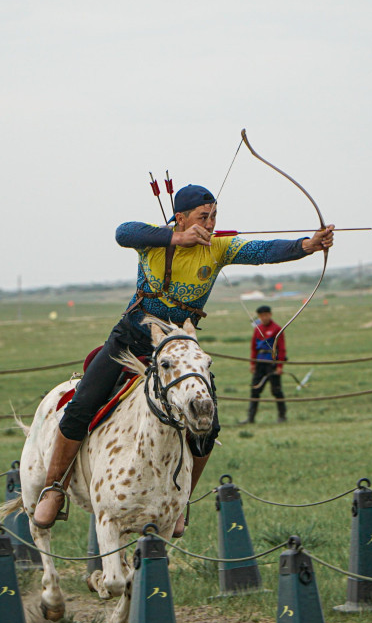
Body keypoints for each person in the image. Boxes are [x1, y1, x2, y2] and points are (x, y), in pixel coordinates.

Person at [33, 183, 334, 532]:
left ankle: (180, 502)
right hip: (132, 338)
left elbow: (263, 249)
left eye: (214, 216)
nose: (210, 224)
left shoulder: (219, 247)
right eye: (203, 217)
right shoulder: (152, 240)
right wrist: (176, 239)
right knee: (83, 403)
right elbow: (122, 232)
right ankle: (54, 488)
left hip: (178, 348)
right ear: (180, 218)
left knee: (208, 425)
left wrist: (307, 246)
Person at [246, 305, 287, 423]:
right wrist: (252, 363)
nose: (264, 317)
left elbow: (282, 349)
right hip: (260, 362)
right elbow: (254, 348)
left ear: (270, 314)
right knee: (255, 390)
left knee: (276, 390)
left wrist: (280, 366)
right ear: (259, 316)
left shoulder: (277, 329)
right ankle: (250, 418)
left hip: (272, 363)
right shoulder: (257, 329)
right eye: (261, 315)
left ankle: (282, 416)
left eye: (266, 315)